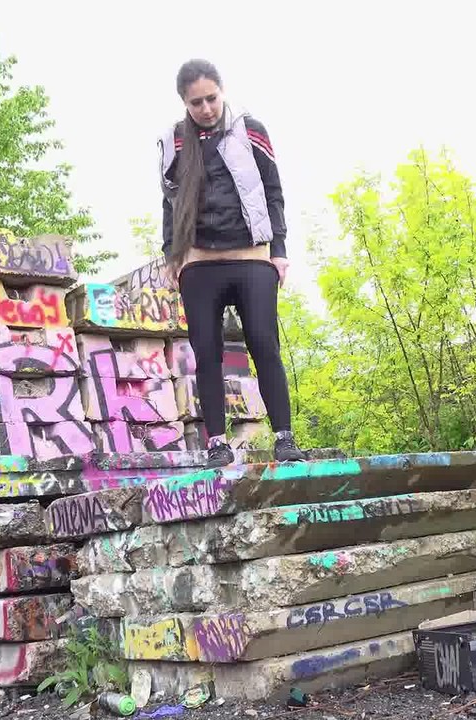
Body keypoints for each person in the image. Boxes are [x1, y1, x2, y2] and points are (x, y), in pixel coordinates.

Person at [158, 59, 307, 468]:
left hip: (250, 254)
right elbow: (169, 202)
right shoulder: (174, 141)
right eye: (196, 103)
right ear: (184, 103)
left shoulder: (250, 129)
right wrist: (172, 255)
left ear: (222, 91)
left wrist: (279, 250)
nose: (206, 108)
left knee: (263, 341)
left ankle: (285, 439)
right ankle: (217, 445)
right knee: (206, 351)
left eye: (212, 98)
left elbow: (273, 190)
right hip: (199, 260)